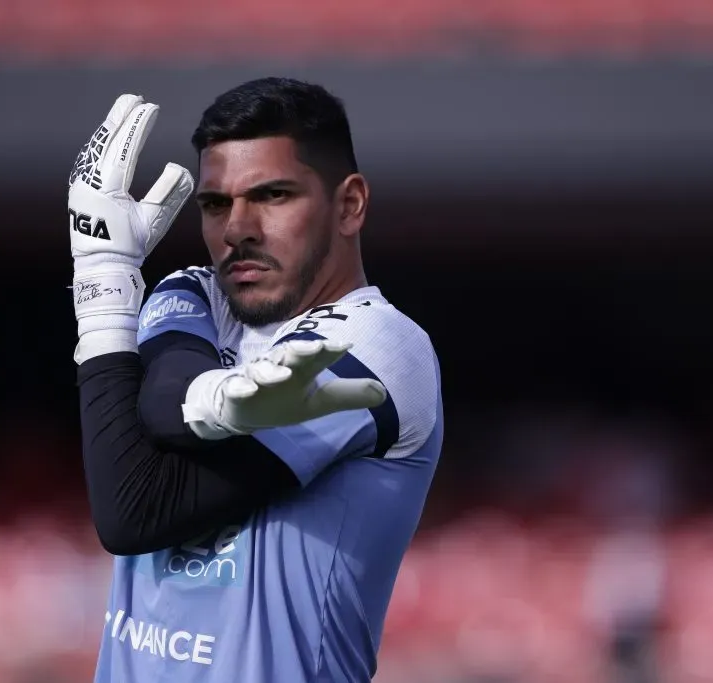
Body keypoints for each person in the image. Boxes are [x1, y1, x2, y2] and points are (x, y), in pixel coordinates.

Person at [67, 78, 443, 682]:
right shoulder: (190, 292)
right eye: (216, 204)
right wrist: (105, 273)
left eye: (271, 195)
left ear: (348, 205)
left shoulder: (379, 347)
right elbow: (166, 404)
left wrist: (106, 291)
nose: (238, 227)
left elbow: (131, 513)